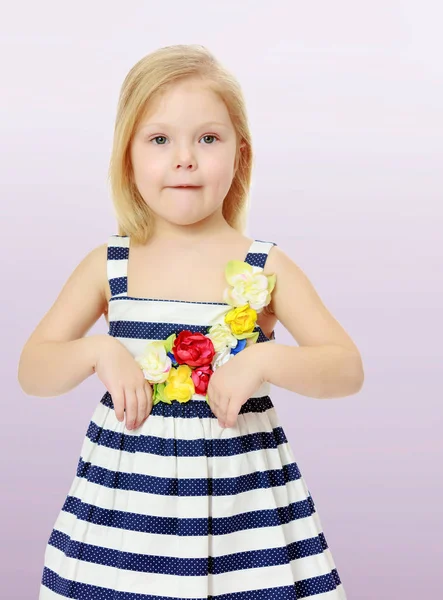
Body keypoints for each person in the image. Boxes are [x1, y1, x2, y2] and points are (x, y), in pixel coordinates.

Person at [19, 44, 363, 600]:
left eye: (208, 138)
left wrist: (267, 357)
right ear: (127, 155)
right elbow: (32, 370)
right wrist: (98, 352)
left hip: (243, 517)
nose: (185, 158)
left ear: (239, 155)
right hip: (126, 515)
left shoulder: (264, 267)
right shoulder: (111, 266)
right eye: (159, 140)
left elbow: (346, 368)